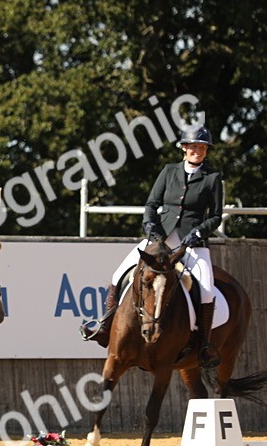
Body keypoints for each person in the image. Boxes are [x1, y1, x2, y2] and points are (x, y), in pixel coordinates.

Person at [80, 125, 224, 368]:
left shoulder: (212, 178)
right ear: (184, 148)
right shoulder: (169, 172)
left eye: (202, 147)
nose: (197, 151)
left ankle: (204, 345)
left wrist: (198, 232)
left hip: (193, 241)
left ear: (206, 151)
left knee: (207, 290)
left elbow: (216, 216)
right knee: (119, 274)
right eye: (193, 147)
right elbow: (152, 203)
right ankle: (105, 327)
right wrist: (150, 225)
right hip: (161, 237)